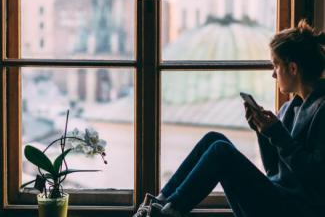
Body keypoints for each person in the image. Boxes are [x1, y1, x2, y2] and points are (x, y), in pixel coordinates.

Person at [134, 20, 325, 217]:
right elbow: (273, 171)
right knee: (213, 138)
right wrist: (262, 132)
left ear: (293, 68)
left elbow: (317, 178)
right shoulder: (288, 108)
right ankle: (162, 202)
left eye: (276, 65)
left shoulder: (322, 109)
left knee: (221, 151)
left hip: (298, 209)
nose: (273, 74)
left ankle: (170, 213)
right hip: (279, 197)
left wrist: (277, 135)